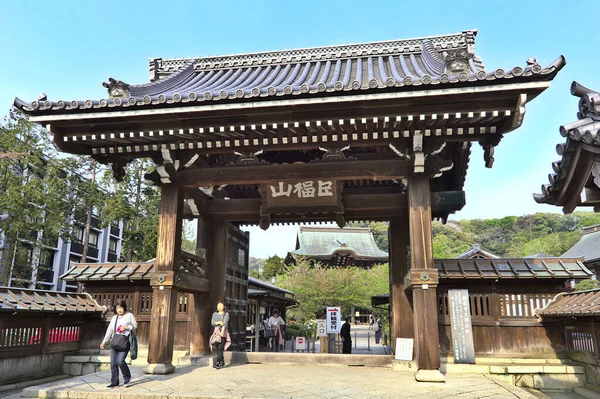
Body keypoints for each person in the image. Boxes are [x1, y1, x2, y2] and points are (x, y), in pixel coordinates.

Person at [100, 299, 137, 388]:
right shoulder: (114, 318)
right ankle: (114, 381)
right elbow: (109, 330)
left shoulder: (129, 316)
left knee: (120, 361)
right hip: (115, 342)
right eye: (117, 308)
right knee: (113, 363)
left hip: (125, 342)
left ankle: (127, 376)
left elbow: (135, 326)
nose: (119, 310)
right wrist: (104, 341)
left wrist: (126, 327)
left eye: (121, 308)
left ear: (124, 308)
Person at [211, 302, 229, 369]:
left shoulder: (226, 314)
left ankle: (218, 362)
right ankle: (222, 361)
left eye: (221, 305)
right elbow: (212, 323)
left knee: (220, 348)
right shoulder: (215, 314)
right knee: (217, 347)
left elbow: (225, 323)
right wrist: (218, 322)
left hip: (223, 332)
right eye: (218, 305)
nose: (219, 307)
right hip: (216, 332)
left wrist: (222, 332)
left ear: (224, 307)